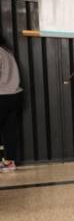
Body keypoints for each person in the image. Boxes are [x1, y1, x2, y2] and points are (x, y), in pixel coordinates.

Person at [0, 40, 23, 172]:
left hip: (1, 95)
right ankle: (10, 163)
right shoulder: (8, 51)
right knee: (9, 131)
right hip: (15, 95)